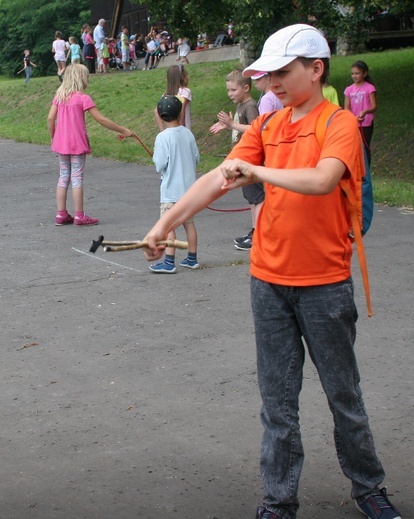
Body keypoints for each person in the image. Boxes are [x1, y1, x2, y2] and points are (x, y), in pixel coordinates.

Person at [141, 24, 402, 519]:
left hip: (324, 285)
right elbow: (219, 179)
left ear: (316, 68)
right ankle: (278, 500)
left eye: (282, 72)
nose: (272, 84)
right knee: (277, 403)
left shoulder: (338, 123)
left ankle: (369, 488)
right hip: (269, 283)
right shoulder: (267, 127)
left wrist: (258, 172)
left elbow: (323, 180)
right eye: (267, 76)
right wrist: (164, 222)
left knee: (343, 395)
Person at [46, 64, 133, 226]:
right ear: (80, 78)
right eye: (87, 77)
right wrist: (122, 130)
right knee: (77, 177)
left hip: (62, 144)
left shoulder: (59, 96)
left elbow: (50, 118)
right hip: (77, 144)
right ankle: (79, 215)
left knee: (64, 176)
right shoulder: (83, 98)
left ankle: (61, 214)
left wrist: (53, 137)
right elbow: (101, 119)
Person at [209, 69, 261, 251]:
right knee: (251, 197)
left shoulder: (250, 106)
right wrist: (227, 126)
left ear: (246, 88)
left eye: (233, 90)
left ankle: (258, 234)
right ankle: (255, 232)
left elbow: (255, 129)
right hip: (241, 158)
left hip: (250, 159)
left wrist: (232, 124)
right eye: (228, 90)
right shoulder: (241, 105)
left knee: (257, 197)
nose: (230, 94)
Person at [148, 95, 201, 274]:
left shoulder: (162, 137)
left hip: (171, 191)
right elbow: (197, 158)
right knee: (189, 224)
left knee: (168, 226)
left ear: (161, 116)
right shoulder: (188, 133)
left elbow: (159, 164)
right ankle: (192, 258)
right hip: (190, 192)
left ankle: (169, 262)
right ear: (180, 113)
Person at [344, 60, 377, 157]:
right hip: (354, 123)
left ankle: (366, 170)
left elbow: (374, 106)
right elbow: (346, 108)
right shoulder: (348, 89)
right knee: (355, 148)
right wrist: (353, 118)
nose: (354, 76)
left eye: (357, 73)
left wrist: (365, 112)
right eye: (352, 73)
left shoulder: (370, 88)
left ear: (365, 73)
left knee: (365, 148)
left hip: (366, 123)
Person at [156, 65, 192, 130]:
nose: (188, 78)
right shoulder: (185, 91)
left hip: (170, 133)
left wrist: (162, 131)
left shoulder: (165, 94)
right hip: (182, 131)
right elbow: (182, 110)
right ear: (182, 77)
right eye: (186, 76)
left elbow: (156, 111)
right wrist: (182, 129)